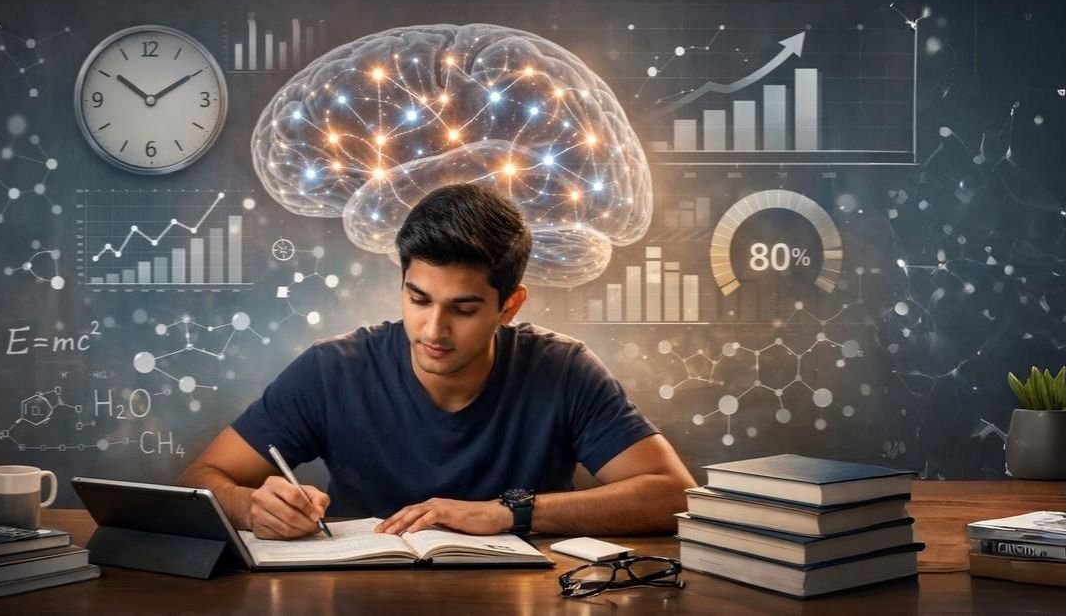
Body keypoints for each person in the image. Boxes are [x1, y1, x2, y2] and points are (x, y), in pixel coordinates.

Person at [178, 183, 695, 540]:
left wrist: (508, 514)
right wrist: (251, 507)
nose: (432, 330)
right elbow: (198, 477)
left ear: (509, 306)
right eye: (418, 299)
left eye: (463, 309)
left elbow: (676, 496)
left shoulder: (563, 370)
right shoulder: (332, 368)